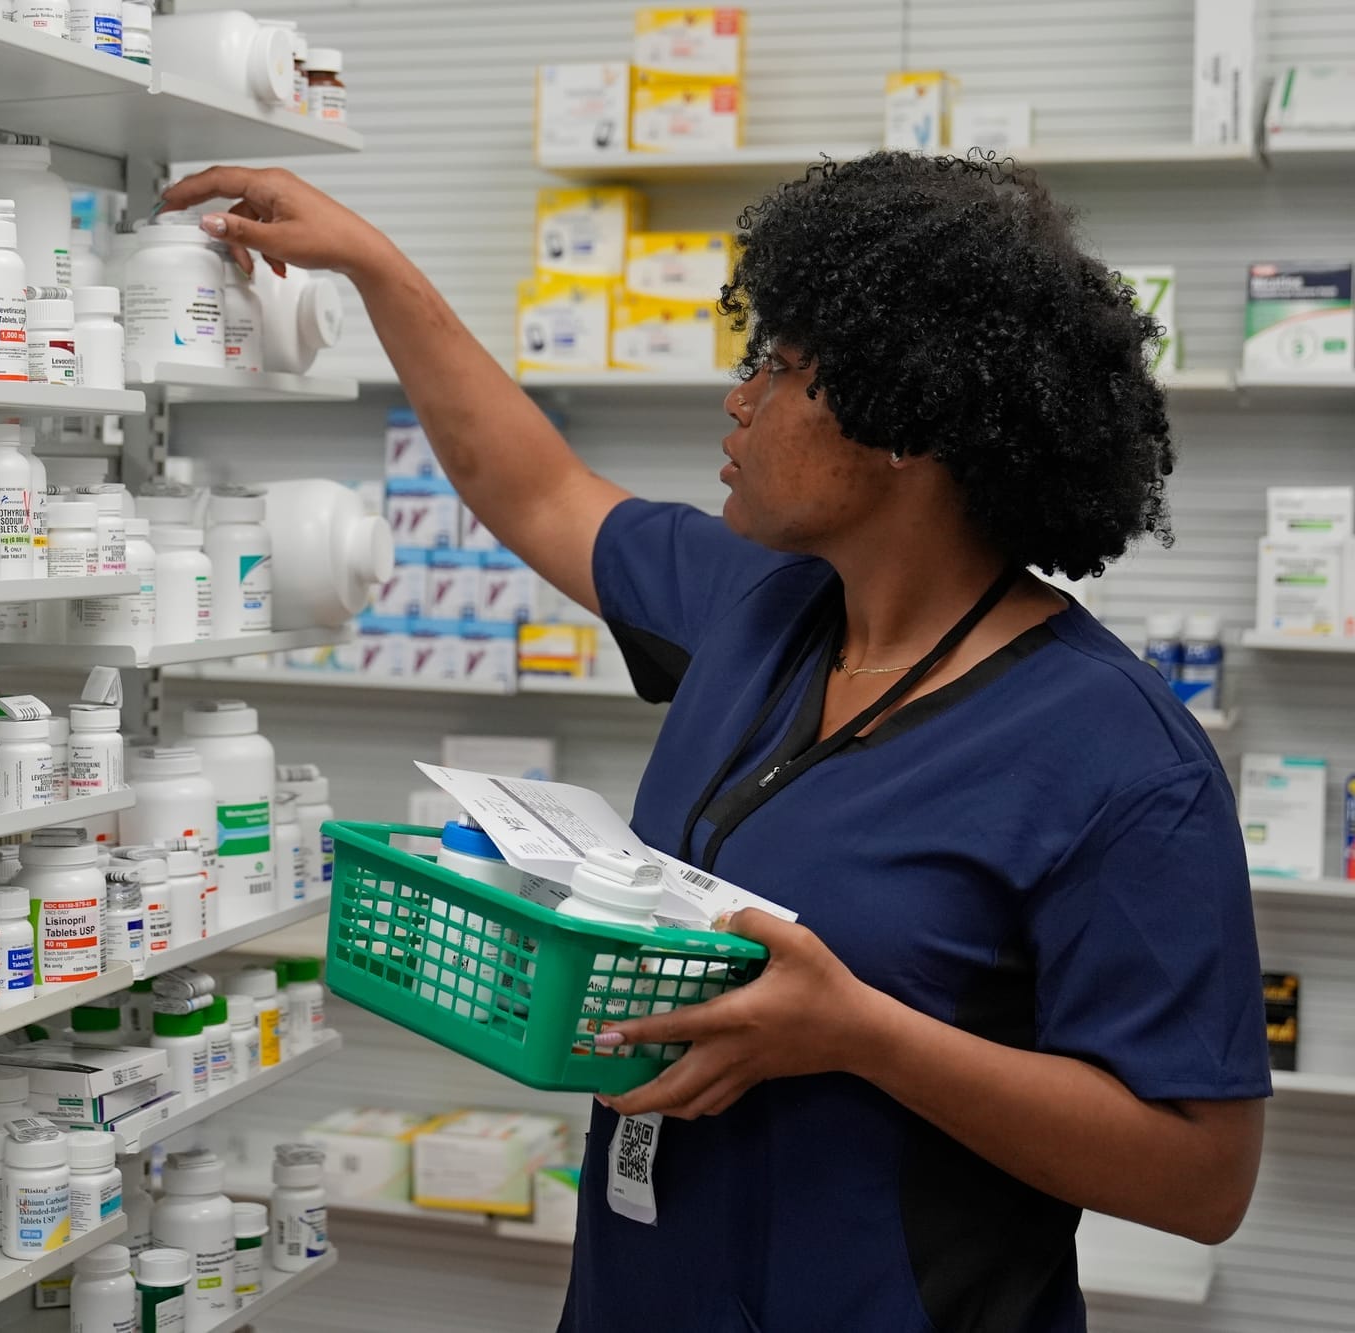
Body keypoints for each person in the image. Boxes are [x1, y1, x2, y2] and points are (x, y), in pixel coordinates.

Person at [162, 151, 1268, 1332]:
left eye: (779, 368)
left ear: (905, 416)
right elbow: (534, 488)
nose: (736, 398)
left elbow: (1199, 1175)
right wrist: (377, 268)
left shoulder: (1115, 755)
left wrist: (863, 1038)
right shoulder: (764, 605)